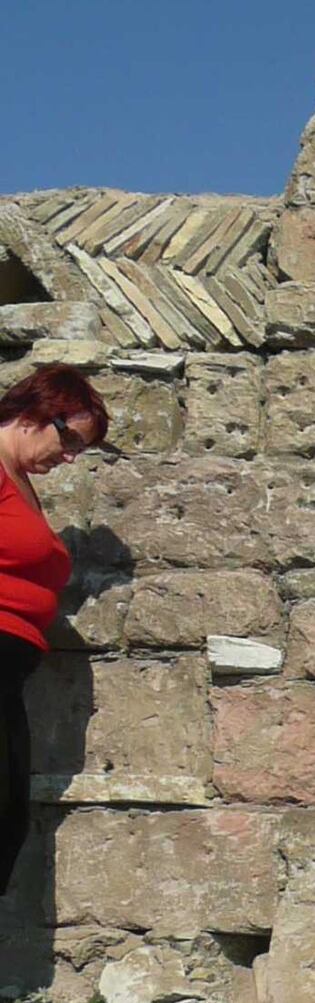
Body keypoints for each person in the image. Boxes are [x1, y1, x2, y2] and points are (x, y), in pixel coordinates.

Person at [0, 363, 111, 897]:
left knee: (7, 814)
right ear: (39, 411)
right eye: (69, 441)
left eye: (79, 452)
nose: (68, 458)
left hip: (9, 671)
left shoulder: (20, 483)